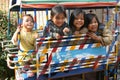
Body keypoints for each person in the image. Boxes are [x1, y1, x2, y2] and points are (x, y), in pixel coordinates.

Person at [85, 13, 113, 80]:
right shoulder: (85, 31)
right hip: (88, 57)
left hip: (101, 56)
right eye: (90, 23)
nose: (94, 24)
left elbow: (109, 39)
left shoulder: (102, 28)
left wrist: (99, 39)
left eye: (95, 22)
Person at [11, 14, 39, 78]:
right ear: (22, 24)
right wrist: (17, 31)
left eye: (32, 21)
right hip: (23, 54)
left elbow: (37, 45)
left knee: (38, 58)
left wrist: (37, 38)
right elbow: (14, 41)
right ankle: (27, 69)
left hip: (32, 54)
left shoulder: (34, 33)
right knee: (26, 60)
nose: (30, 22)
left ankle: (30, 68)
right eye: (27, 21)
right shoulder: (20, 32)